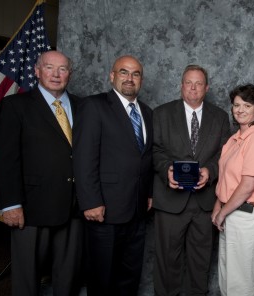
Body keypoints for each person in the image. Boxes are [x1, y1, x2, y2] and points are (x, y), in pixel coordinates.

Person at [0, 50, 82, 295]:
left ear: (69, 74)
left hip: (74, 208)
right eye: (49, 67)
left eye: (62, 69)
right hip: (31, 208)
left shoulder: (82, 106)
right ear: (37, 70)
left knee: (68, 277)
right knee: (27, 280)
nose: (56, 74)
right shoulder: (15, 106)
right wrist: (10, 204)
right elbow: (4, 158)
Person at [73, 55, 154, 295]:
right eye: (124, 72)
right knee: (102, 277)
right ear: (112, 76)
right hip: (104, 210)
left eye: (136, 74)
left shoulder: (147, 113)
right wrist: (91, 201)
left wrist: (148, 193)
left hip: (138, 211)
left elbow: (146, 160)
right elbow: (83, 158)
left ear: (141, 80)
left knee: (129, 276)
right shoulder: (94, 106)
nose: (130, 78)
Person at [152, 64, 231, 295]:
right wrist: (167, 170)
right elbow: (155, 150)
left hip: (205, 204)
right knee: (167, 263)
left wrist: (211, 171)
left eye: (198, 83)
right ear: (181, 86)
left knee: (200, 263)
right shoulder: (162, 113)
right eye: (189, 82)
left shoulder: (220, 116)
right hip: (169, 201)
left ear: (206, 88)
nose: (193, 88)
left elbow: (224, 154)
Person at [212, 83, 254, 296]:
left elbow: (248, 184)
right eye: (236, 105)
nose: (240, 110)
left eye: (247, 105)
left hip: (249, 217)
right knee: (228, 280)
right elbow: (225, 181)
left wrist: (222, 212)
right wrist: (218, 206)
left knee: (241, 285)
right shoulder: (234, 138)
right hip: (233, 214)